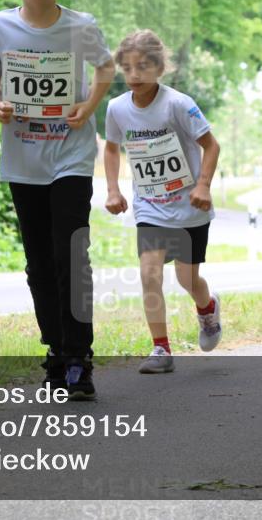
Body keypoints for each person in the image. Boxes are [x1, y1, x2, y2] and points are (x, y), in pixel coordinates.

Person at [0, 0, 115, 400]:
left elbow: (106, 68)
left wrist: (87, 106)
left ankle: (79, 359)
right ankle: (55, 351)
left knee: (70, 255)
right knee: (38, 263)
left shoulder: (81, 26)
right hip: (23, 158)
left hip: (71, 155)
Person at [103, 30, 222, 374]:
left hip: (189, 208)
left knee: (188, 280)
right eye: (127, 68)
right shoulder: (117, 108)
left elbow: (211, 146)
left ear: (160, 67)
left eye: (143, 66)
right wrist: (113, 190)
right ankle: (161, 348)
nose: (134, 75)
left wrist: (203, 186)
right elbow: (111, 148)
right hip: (150, 207)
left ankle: (207, 308)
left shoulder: (178, 104)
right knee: (149, 273)